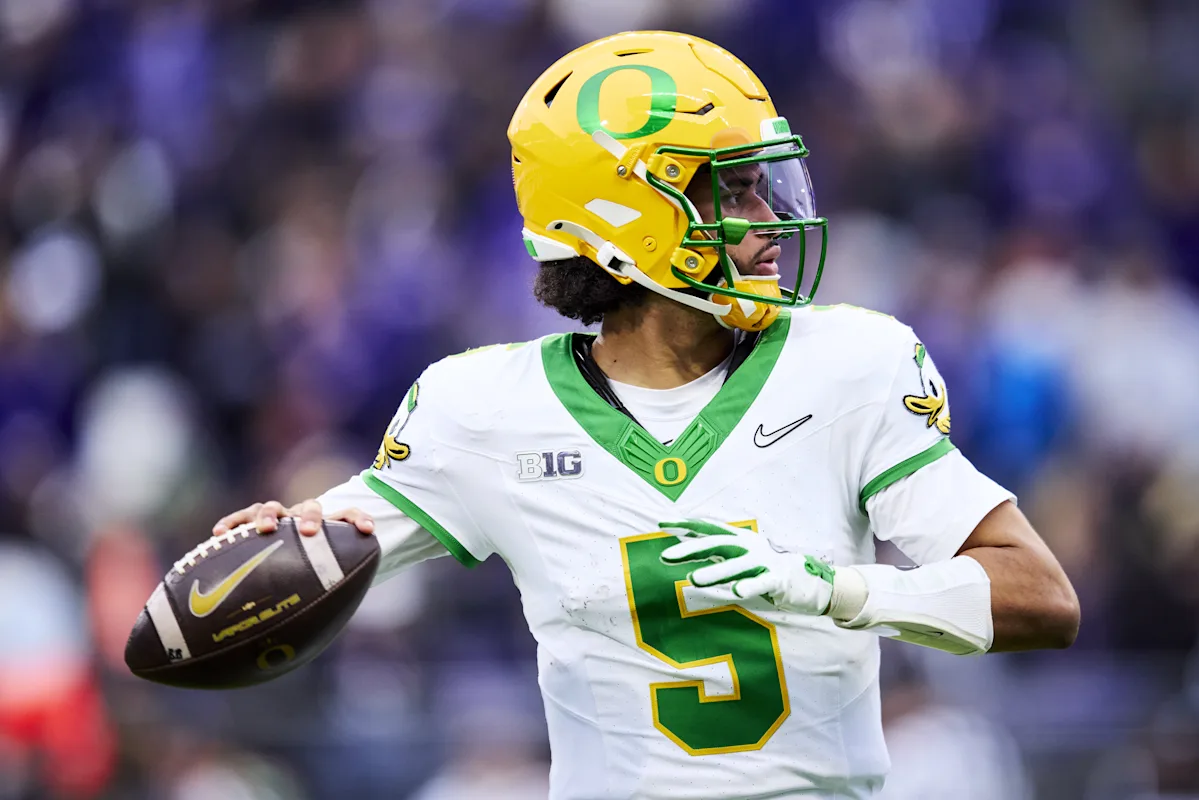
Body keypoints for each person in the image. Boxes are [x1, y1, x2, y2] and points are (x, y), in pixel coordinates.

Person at [212, 31, 1079, 799]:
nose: (770, 220)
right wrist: (270, 550)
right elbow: (295, 570)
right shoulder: (479, 410)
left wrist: (833, 590)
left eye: (764, 186)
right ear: (629, 220)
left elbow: (1041, 597)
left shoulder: (850, 363)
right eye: (733, 194)